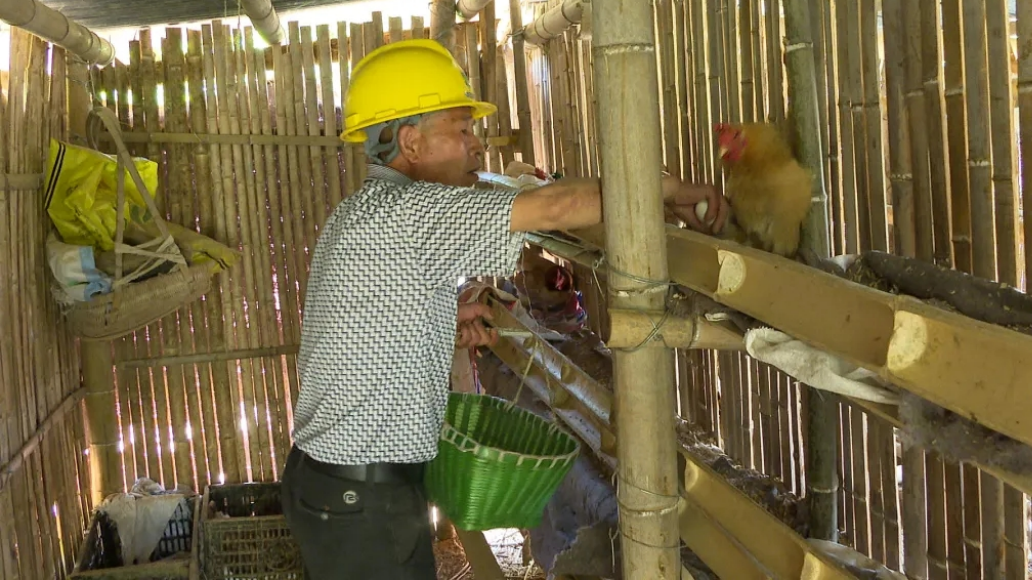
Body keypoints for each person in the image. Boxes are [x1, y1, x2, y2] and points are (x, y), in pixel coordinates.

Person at [278, 38, 730, 579]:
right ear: (411, 141)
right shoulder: (409, 212)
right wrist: (667, 190)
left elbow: (366, 328)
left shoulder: (370, 211)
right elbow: (554, 205)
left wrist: (444, 324)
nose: (477, 145)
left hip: (340, 488)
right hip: (362, 499)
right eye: (462, 129)